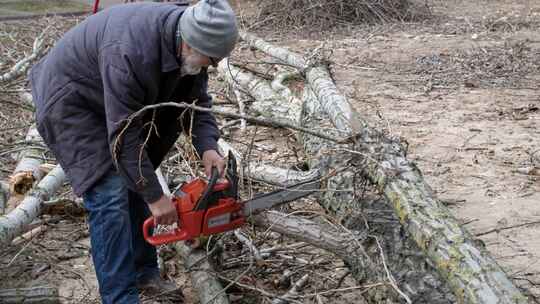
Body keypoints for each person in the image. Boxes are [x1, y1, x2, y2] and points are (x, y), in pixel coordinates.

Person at [29, 0, 238, 303]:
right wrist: (155, 197)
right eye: (210, 59)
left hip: (109, 96)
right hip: (70, 101)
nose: (212, 66)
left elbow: (195, 103)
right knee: (110, 192)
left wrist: (207, 147)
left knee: (135, 180)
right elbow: (125, 140)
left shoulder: (189, 46)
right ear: (190, 43)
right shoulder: (129, 52)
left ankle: (144, 272)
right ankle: (120, 295)